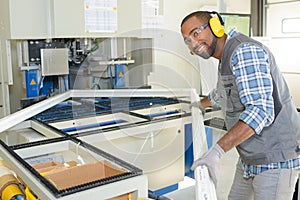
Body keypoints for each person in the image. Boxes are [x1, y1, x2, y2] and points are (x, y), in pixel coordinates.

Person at [181, 11, 300, 200]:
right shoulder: (225, 57)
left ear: (215, 26)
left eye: (196, 33)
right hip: (249, 157)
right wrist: (197, 105)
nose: (193, 44)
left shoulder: (244, 51)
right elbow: (221, 93)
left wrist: (217, 151)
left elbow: (260, 111)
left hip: (274, 158)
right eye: (187, 40)